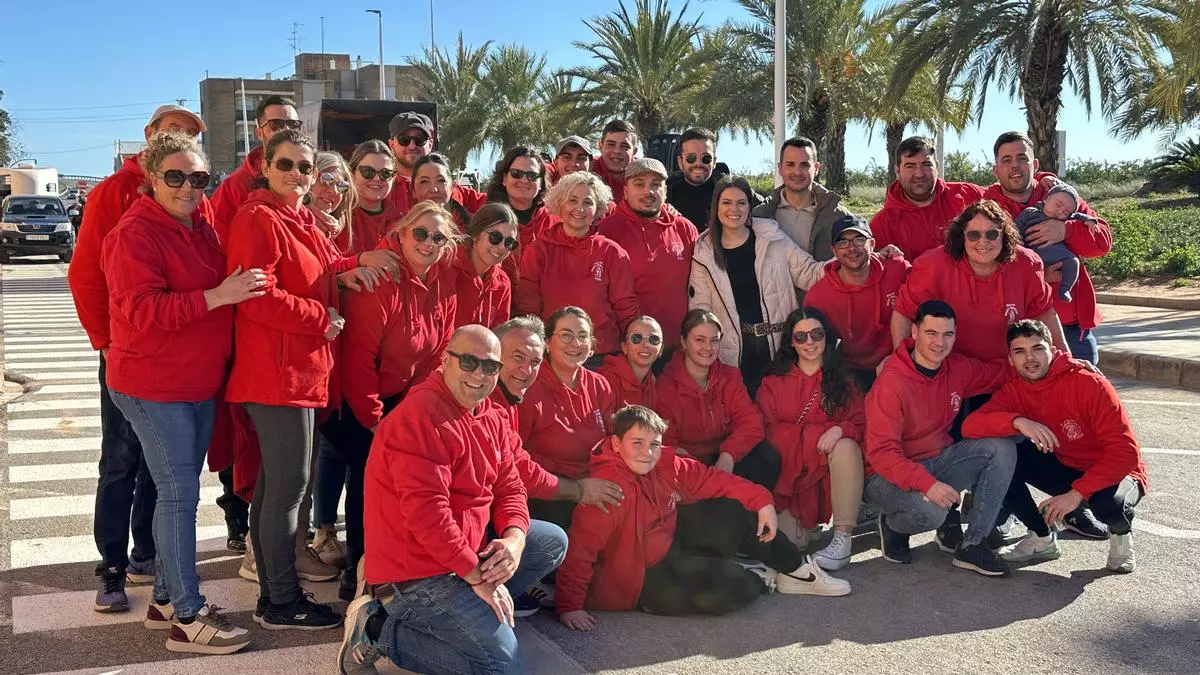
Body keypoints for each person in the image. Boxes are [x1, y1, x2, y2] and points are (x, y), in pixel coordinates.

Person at [100, 132, 258, 653]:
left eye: (198, 177)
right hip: (153, 385)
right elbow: (141, 310)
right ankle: (188, 618)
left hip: (196, 383)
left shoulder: (200, 226)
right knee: (178, 494)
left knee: (179, 492)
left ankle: (166, 599)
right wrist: (218, 296)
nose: (188, 186)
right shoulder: (133, 234)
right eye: (175, 176)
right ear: (152, 178)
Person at [338, 326, 569, 675]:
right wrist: (479, 578)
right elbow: (429, 517)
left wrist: (514, 540)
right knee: (503, 669)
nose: (479, 374)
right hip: (419, 572)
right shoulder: (419, 417)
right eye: (469, 362)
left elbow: (511, 486)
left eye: (490, 366)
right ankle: (378, 628)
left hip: (464, 553)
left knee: (550, 541)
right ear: (446, 361)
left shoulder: (489, 413)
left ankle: (471, 617)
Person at [224, 129, 381, 630]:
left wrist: (357, 263)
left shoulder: (298, 218)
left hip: (299, 373)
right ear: (266, 167)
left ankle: (273, 595)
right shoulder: (258, 218)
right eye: (286, 164)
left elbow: (325, 267)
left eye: (305, 167)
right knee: (288, 489)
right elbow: (257, 294)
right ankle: (281, 600)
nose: (296, 174)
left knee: (277, 488)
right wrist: (320, 318)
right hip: (277, 375)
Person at [67, 103, 208, 611]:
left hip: (177, 363)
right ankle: (111, 567)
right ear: (150, 137)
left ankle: (147, 555)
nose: (180, 137)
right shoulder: (114, 193)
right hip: (130, 352)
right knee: (121, 461)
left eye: (190, 132)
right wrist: (104, 341)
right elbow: (86, 273)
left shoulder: (196, 195)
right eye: (172, 129)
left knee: (160, 470)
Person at [556, 406, 849, 630]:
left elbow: (713, 479)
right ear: (616, 444)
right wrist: (570, 606)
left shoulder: (666, 463)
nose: (647, 453)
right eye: (637, 443)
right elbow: (581, 550)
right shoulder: (608, 489)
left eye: (654, 444)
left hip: (672, 542)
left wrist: (763, 501)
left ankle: (796, 570)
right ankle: (760, 577)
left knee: (735, 508)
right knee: (732, 590)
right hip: (642, 577)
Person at [334, 201, 460, 600]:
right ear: (402, 235)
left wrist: (413, 409)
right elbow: (357, 359)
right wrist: (376, 421)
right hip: (353, 397)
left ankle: (397, 568)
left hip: (397, 396)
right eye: (420, 233)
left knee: (404, 480)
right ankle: (358, 572)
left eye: (438, 237)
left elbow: (436, 354)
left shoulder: (441, 283)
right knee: (368, 479)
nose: (429, 243)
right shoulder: (382, 280)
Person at [962, 320, 1147, 573]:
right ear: (1011, 359)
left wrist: (1075, 495)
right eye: (1020, 351)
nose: (1030, 358)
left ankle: (1121, 536)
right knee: (998, 457)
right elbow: (970, 426)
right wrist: (1018, 422)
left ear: (1053, 349)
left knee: (1108, 504)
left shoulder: (1088, 383)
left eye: (1037, 348)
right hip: (1067, 466)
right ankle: (1041, 538)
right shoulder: (1014, 390)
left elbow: (1125, 453)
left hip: (1118, 473)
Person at [865, 300, 1016, 577]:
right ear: (915, 332)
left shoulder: (956, 368)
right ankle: (892, 525)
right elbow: (882, 453)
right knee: (933, 513)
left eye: (948, 334)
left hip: (937, 461)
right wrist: (929, 485)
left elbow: (1000, 373)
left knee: (1002, 449)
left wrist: (1045, 359)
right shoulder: (891, 383)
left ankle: (973, 544)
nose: (940, 342)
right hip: (886, 476)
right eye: (931, 333)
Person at [983, 131, 1112, 366]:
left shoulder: (1061, 195)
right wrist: (1038, 276)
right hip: (1018, 332)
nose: (1015, 166)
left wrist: (1066, 230)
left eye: (1022, 158)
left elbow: (1101, 243)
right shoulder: (987, 208)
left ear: (1034, 164)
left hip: (1071, 327)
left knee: (1083, 387)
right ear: (996, 170)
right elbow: (983, 263)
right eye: (1007, 160)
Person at [689, 176, 827, 392]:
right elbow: (700, 310)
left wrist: (852, 261)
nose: (734, 209)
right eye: (726, 202)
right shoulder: (704, 252)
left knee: (780, 406)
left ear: (749, 206)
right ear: (716, 207)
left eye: (741, 202)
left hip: (780, 348)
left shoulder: (772, 238)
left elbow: (809, 273)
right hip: (733, 352)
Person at [891, 200, 1068, 363]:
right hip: (951, 369)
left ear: (1005, 235)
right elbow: (904, 314)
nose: (983, 242)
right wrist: (903, 363)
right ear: (962, 236)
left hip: (1011, 367)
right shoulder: (932, 265)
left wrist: (1066, 359)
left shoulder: (1027, 263)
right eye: (974, 235)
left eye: (992, 234)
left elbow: (1043, 312)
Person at [757, 307, 866, 569]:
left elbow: (862, 425)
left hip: (826, 474)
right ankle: (810, 527)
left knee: (846, 446)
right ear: (791, 342)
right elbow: (766, 433)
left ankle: (842, 538)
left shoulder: (844, 382)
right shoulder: (772, 382)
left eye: (816, 334)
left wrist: (840, 430)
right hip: (789, 477)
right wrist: (818, 434)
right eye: (801, 336)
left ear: (826, 337)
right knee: (789, 544)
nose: (809, 342)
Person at [516, 171, 639, 358]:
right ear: (560, 203)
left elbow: (625, 306)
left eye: (588, 202)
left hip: (602, 354)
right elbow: (528, 307)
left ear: (597, 208)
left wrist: (634, 345)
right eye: (572, 200)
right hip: (553, 353)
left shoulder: (612, 252)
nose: (579, 209)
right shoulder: (538, 250)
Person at [655, 310, 779, 491]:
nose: (708, 347)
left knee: (766, 458)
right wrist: (697, 469)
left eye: (714, 340)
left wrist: (728, 455)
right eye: (699, 340)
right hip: (688, 463)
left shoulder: (729, 377)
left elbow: (751, 422)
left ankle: (758, 507)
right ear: (683, 342)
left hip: (724, 456)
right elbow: (667, 444)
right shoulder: (665, 387)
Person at [516, 307, 617, 530]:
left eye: (583, 336)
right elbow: (516, 455)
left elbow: (612, 440)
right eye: (566, 335)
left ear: (592, 346)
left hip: (594, 482)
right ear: (547, 344)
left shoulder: (599, 385)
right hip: (549, 492)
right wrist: (575, 487)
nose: (575, 343)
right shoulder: (529, 387)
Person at [304, 150, 356, 569]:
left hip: (340, 347)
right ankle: (311, 537)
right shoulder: (295, 222)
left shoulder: (336, 226)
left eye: (341, 184)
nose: (332, 190)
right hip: (300, 354)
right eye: (325, 178)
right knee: (300, 463)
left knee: (331, 445)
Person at [597, 157, 699, 353]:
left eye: (656, 184)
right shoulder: (606, 231)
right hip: (626, 349)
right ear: (625, 191)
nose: (648, 191)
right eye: (639, 184)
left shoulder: (684, 228)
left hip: (677, 347)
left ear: (665, 190)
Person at [804, 215, 910, 376]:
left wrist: (899, 359)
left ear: (872, 244)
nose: (851, 248)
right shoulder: (818, 296)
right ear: (834, 250)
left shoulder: (898, 270)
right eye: (842, 242)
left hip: (895, 365)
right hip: (846, 374)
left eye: (859, 240)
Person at [869, 136, 987, 258]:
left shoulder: (969, 195)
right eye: (910, 166)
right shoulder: (882, 225)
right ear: (897, 171)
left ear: (937, 166)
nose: (919, 174)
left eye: (926, 164)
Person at [752, 136, 855, 263]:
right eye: (790, 165)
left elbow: (863, 255)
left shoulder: (839, 216)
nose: (797, 172)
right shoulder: (760, 216)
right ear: (780, 168)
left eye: (805, 165)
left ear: (816, 168)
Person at [211, 95, 300, 241]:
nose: (286, 130)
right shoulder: (235, 186)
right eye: (276, 124)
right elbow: (217, 238)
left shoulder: (307, 177)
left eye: (293, 124)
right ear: (259, 133)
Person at [384, 112, 488, 215]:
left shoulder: (456, 193)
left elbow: (493, 205)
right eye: (404, 140)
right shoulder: (382, 190)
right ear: (392, 144)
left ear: (430, 144)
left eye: (419, 139)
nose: (412, 146)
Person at [667, 127, 760, 232]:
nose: (698, 163)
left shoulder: (731, 187)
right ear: (680, 161)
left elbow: (767, 207)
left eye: (706, 158)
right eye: (691, 158)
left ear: (714, 161)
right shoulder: (666, 192)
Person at [486, 146, 554, 284]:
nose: (524, 180)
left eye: (532, 176)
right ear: (504, 178)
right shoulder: (486, 218)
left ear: (541, 183)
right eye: (516, 173)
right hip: (498, 294)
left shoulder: (555, 222)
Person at [1014, 185, 1087, 302]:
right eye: (1058, 204)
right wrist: (1018, 244)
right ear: (1047, 198)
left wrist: (1089, 220)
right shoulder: (1030, 212)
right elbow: (1015, 228)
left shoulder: (1065, 221)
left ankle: (1065, 288)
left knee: (1073, 262)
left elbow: (1078, 216)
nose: (1060, 211)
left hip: (1057, 253)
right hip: (1032, 253)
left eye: (1066, 212)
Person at [451, 202, 517, 328]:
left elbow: (497, 334)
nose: (502, 247)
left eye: (509, 242)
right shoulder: (447, 270)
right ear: (476, 234)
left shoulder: (502, 283)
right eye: (495, 237)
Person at [347, 140, 404, 253]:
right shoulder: (338, 218)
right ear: (352, 173)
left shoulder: (401, 223)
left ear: (393, 178)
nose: (377, 179)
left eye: (385, 173)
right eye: (368, 172)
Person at [596, 317, 663, 409]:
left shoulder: (653, 383)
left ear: (661, 349)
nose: (646, 345)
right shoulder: (605, 381)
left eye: (654, 339)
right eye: (636, 338)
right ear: (624, 347)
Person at [306, 151, 357, 252]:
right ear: (310, 178)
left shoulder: (338, 232)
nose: (334, 191)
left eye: (342, 186)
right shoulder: (292, 222)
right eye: (326, 179)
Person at [412, 152, 474, 229]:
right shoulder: (404, 231)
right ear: (413, 190)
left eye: (441, 180)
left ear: (453, 186)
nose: (434, 189)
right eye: (424, 181)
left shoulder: (477, 229)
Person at [591, 119, 638, 204]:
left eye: (624, 146)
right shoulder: (588, 169)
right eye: (611, 144)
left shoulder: (644, 173)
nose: (617, 151)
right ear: (600, 146)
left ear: (634, 151)